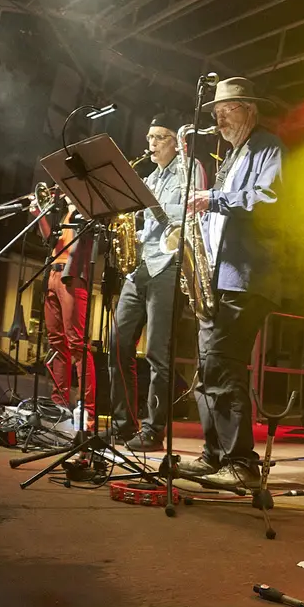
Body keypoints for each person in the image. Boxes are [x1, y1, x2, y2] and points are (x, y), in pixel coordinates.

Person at [179, 77, 283, 489]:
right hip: (218, 277)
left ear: (250, 110)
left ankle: (241, 464)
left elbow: (268, 199)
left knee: (224, 367)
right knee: (207, 371)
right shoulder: (232, 154)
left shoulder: (268, 146)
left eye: (229, 109)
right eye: (217, 112)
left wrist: (214, 199)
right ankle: (214, 455)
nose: (220, 118)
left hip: (245, 277)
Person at [110, 114, 203, 452]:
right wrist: (128, 234)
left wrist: (156, 210)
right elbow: (145, 224)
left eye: (159, 137)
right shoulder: (147, 178)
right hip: (140, 266)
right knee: (117, 343)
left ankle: (153, 430)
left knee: (157, 352)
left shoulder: (190, 170)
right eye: (149, 138)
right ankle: (123, 425)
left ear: (176, 142)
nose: (151, 144)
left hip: (170, 265)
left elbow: (192, 215)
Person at [29, 191, 96, 421]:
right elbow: (51, 242)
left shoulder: (85, 210)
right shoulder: (65, 214)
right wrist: (40, 214)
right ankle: (59, 403)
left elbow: (82, 242)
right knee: (57, 343)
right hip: (53, 276)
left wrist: (74, 204)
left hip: (73, 277)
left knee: (77, 343)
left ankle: (87, 409)